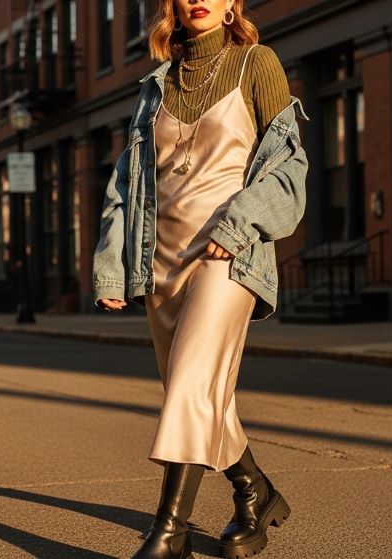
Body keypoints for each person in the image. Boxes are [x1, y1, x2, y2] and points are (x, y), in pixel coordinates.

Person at [93, 1, 308, 557]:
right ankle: (254, 491)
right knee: (200, 397)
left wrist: (239, 225)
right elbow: (126, 185)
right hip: (161, 260)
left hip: (228, 252)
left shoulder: (256, 64)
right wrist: (113, 266)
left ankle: (170, 532)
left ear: (234, 1)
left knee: (190, 384)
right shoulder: (155, 87)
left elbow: (289, 166)